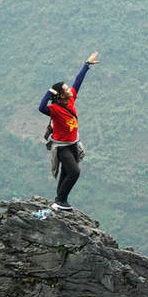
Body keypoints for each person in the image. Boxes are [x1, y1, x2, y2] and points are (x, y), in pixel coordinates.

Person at [38, 51, 100, 211]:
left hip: (73, 144)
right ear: (60, 95)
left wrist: (87, 64)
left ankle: (59, 201)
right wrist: (49, 93)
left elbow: (78, 80)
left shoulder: (71, 98)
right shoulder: (55, 109)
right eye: (66, 89)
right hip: (62, 146)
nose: (70, 90)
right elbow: (41, 107)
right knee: (74, 172)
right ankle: (60, 201)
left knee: (67, 172)